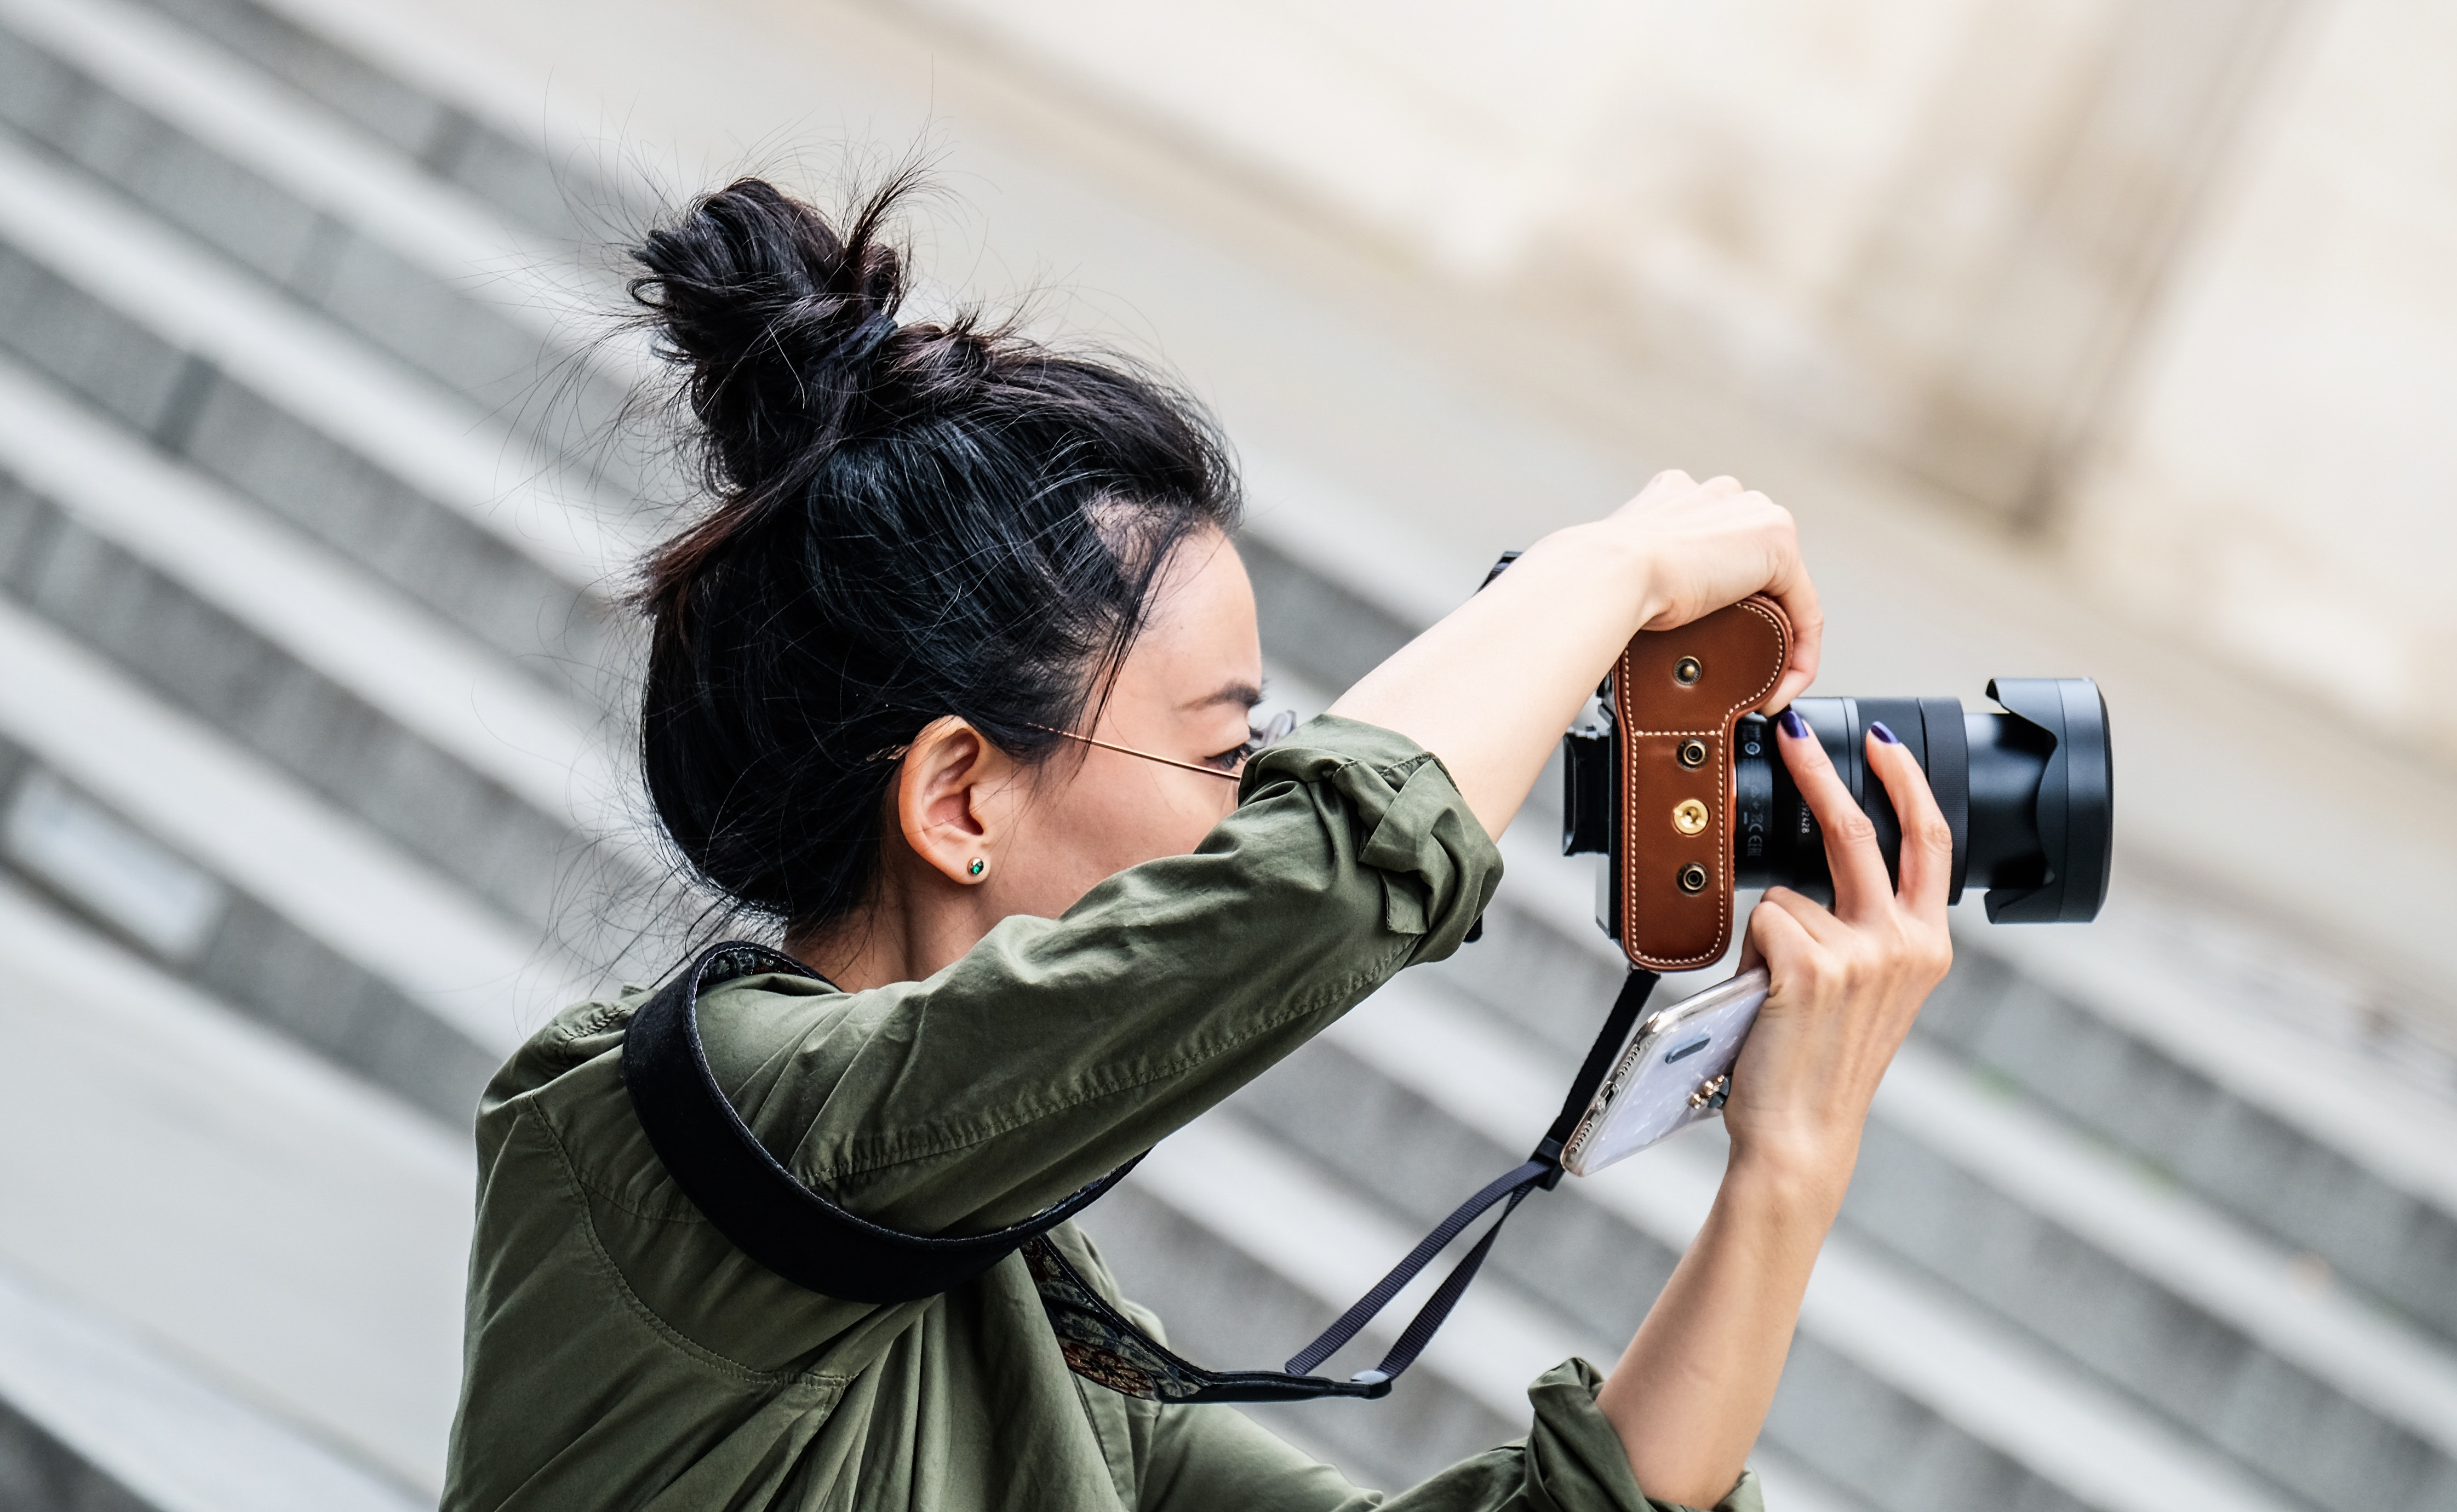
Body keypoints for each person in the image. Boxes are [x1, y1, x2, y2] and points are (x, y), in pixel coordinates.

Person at [440, 175, 1954, 1512]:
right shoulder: (685, 1137)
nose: (1263, 798)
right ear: (961, 797)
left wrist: (1790, 1168)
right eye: (1231, 751)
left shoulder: (1028, 1328)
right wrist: (1609, 573)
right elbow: (1317, 888)